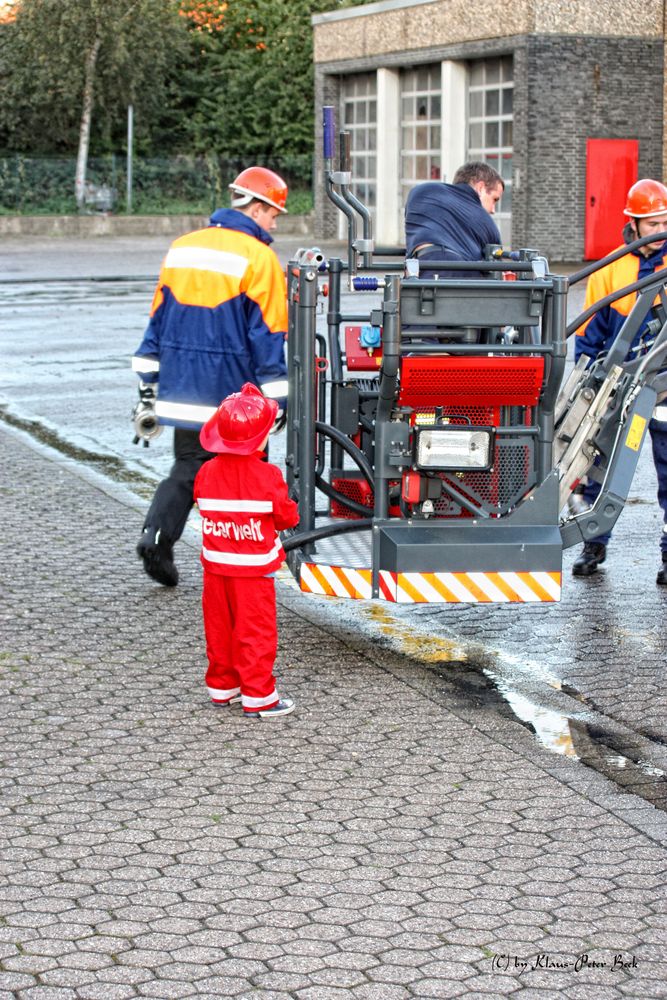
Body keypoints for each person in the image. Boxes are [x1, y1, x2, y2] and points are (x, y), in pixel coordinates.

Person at [131, 166, 290, 587]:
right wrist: (279, 402)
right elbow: (269, 336)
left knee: (188, 469)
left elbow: (157, 320)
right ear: (257, 208)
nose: (275, 223)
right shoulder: (260, 259)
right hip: (235, 398)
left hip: (182, 391)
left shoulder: (182, 248)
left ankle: (157, 536)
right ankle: (244, 561)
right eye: (274, 214)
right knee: (247, 475)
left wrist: (147, 381)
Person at [573, 178, 667, 584]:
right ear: (634, 223)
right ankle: (594, 542)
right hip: (619, 387)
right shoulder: (612, 268)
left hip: (664, 388)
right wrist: (585, 383)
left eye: (665, 221)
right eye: (653, 224)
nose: (661, 231)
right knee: (601, 467)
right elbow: (591, 333)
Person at [194, 383, 299, 719]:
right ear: (260, 439)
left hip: (215, 569)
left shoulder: (205, 472)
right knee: (255, 633)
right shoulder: (267, 475)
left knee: (220, 629)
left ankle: (223, 688)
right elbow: (284, 517)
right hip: (253, 573)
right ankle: (260, 696)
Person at [405, 161, 505, 276]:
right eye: (494, 199)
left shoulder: (419, 192)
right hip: (460, 280)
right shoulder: (486, 222)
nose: (493, 210)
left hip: (420, 272)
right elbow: (497, 264)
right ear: (480, 188)